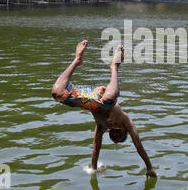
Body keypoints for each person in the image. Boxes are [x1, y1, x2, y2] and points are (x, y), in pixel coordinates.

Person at [51, 40, 157, 178]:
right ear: (125, 132)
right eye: (119, 137)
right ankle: (113, 66)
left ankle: (76, 61)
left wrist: (93, 169)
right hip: (105, 96)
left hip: (89, 99)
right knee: (108, 100)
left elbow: (96, 148)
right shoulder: (128, 124)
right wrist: (149, 167)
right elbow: (139, 146)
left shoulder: (101, 127)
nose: (114, 137)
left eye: (113, 139)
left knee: (57, 93)